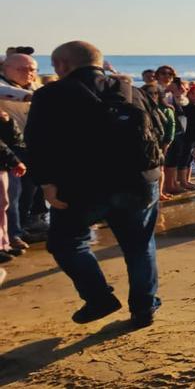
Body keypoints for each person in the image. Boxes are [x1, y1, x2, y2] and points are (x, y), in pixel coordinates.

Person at [24, 41, 165, 327]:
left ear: (63, 65)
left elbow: (37, 142)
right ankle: (144, 307)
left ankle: (98, 297)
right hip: (139, 181)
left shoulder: (50, 94)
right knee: (139, 246)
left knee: (66, 243)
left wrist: (46, 183)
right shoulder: (131, 90)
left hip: (81, 185)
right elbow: (160, 130)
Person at [0, 53, 41, 245]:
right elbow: (8, 92)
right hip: (8, 148)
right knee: (11, 194)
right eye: (22, 69)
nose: (29, 73)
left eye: (32, 69)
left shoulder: (36, 86)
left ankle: (22, 227)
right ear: (5, 69)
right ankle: (12, 234)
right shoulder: (3, 85)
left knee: (29, 192)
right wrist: (33, 96)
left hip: (32, 145)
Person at [0, 110, 27, 262]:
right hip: (4, 161)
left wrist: (6, 121)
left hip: (3, 164)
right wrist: (14, 161)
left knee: (3, 205)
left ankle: (4, 244)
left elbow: (13, 139)